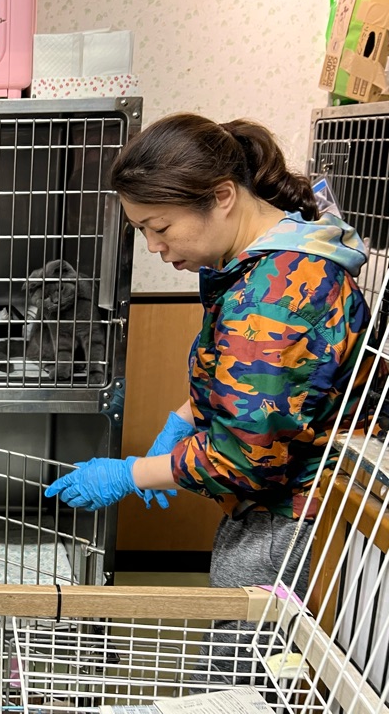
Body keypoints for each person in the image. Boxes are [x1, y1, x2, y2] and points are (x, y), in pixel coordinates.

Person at [44, 112, 377, 683]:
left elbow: (246, 458)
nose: (154, 247)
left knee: (247, 682)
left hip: (293, 525)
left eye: (160, 226)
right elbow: (256, 382)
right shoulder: (266, 264)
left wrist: (132, 473)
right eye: (141, 231)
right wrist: (181, 420)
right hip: (284, 513)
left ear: (222, 196)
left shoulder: (273, 295)